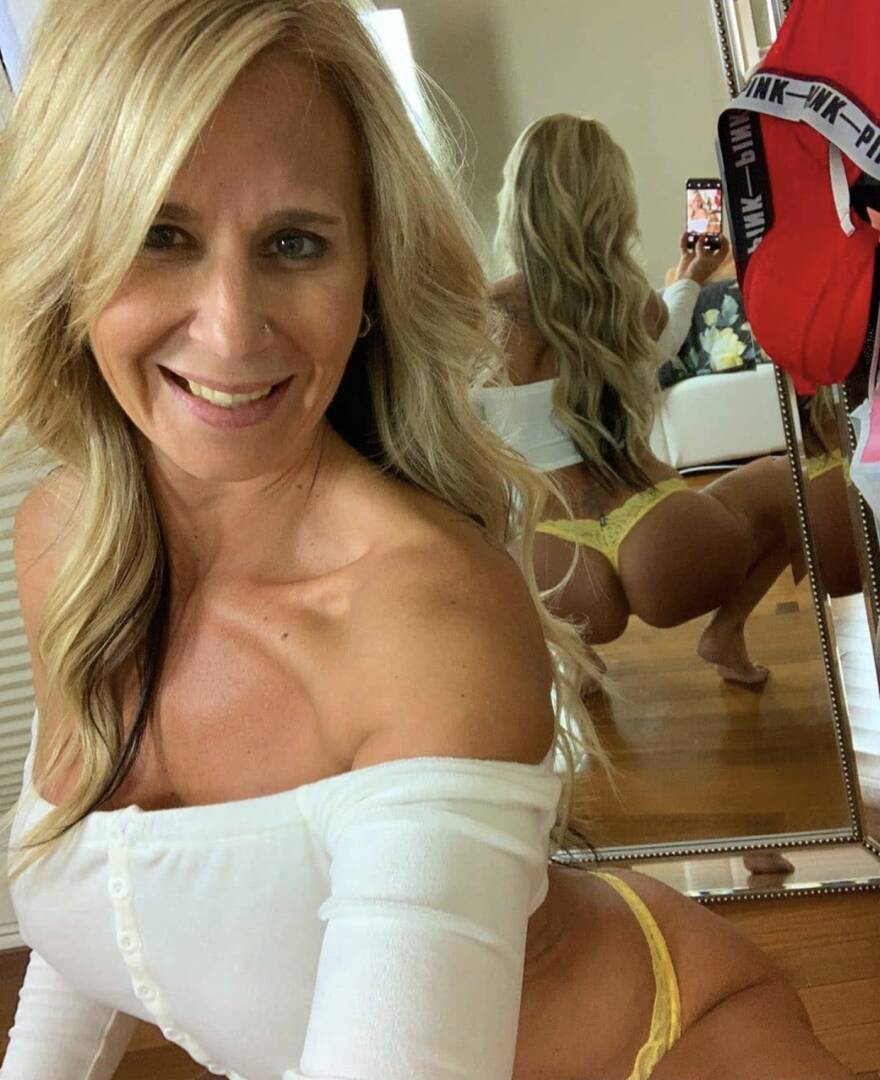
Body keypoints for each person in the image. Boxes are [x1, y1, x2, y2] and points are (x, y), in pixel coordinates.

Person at [0, 4, 850, 1078]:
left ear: (368, 282)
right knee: (782, 493)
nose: (230, 327)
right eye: (158, 234)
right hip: (628, 513)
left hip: (668, 1040)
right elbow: (92, 899)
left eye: (295, 243)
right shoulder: (64, 539)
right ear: (69, 249)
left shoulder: (424, 621)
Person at [483, 115, 804, 686]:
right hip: (662, 537)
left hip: (556, 569)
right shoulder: (634, 305)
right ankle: (725, 632)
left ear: (516, 200)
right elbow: (669, 339)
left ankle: (577, 657)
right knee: (788, 482)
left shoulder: (480, 322)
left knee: (490, 552)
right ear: (613, 204)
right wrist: (693, 275)